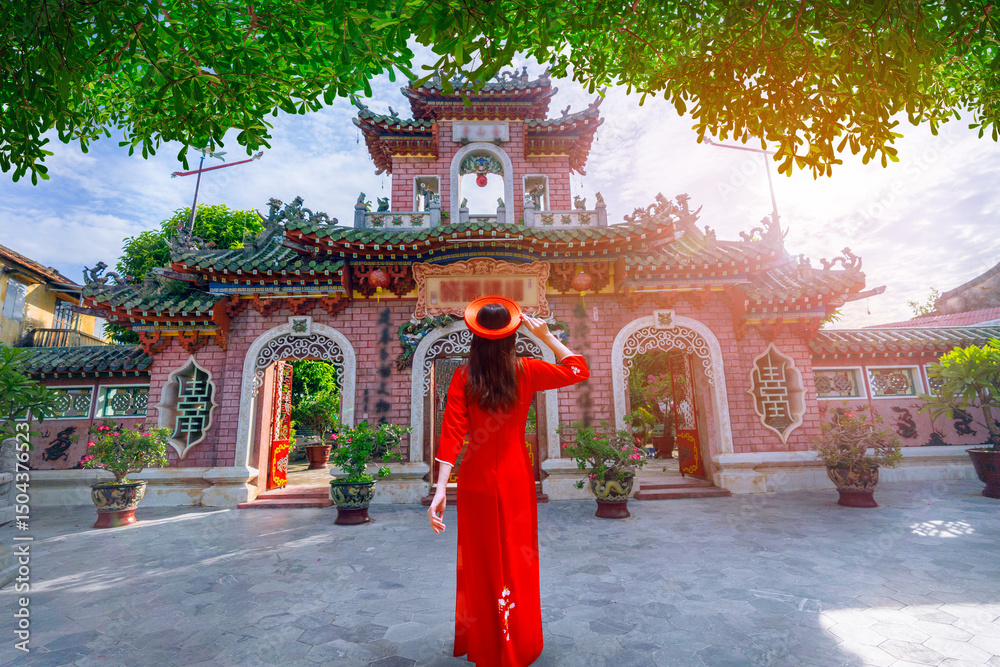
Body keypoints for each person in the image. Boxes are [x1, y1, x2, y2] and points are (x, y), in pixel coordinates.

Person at [428, 296, 590, 666]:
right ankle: (516, 638)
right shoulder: (527, 370)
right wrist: (546, 336)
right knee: (517, 558)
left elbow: (451, 435)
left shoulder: (464, 377)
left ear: (475, 337)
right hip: (516, 476)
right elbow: (577, 369)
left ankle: (487, 639)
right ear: (512, 336)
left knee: (482, 559)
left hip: (476, 479)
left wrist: (440, 489)